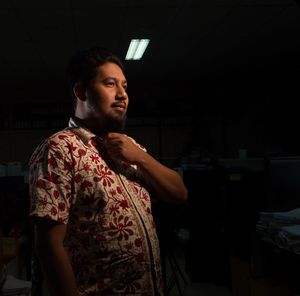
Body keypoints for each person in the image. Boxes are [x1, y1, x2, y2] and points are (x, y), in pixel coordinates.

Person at [28, 46, 188, 296]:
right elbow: (48, 245)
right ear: (81, 91)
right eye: (110, 84)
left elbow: (179, 193)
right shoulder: (60, 149)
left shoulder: (131, 148)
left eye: (125, 86)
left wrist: (141, 158)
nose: (123, 95)